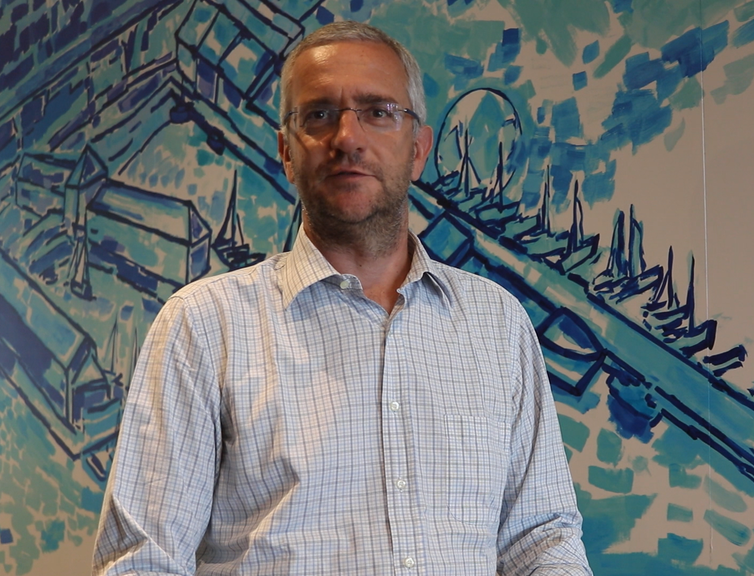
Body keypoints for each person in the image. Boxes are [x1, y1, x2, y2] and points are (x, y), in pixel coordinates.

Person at [93, 21, 592, 575]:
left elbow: (541, 537)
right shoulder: (204, 326)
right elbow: (143, 562)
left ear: (417, 149)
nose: (347, 137)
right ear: (287, 152)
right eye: (319, 115)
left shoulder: (497, 322)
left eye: (378, 112)